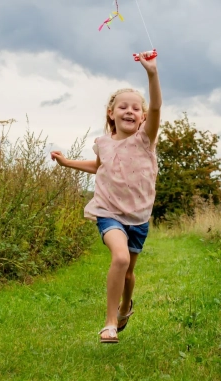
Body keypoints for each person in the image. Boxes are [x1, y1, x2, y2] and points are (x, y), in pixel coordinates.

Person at [50, 51, 162, 344]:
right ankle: (110, 323)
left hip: (138, 216)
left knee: (129, 273)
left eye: (136, 108)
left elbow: (157, 106)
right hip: (108, 211)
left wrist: (152, 73)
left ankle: (125, 307)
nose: (130, 111)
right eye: (123, 107)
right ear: (111, 113)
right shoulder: (103, 143)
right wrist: (67, 163)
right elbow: (99, 167)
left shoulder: (145, 140)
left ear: (143, 117)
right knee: (120, 258)